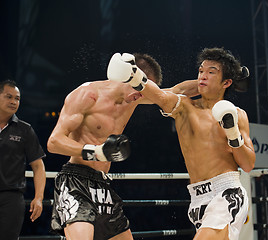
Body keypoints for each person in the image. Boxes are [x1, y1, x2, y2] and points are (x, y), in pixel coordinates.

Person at [107, 47, 256, 240]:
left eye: (211, 72)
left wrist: (233, 134)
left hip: (227, 194)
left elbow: (248, 164)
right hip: (198, 199)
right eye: (201, 71)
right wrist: (134, 76)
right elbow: (160, 96)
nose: (203, 76)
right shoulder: (185, 106)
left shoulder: (238, 114)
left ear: (226, 82)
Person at [47, 53, 198, 240]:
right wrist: (96, 152)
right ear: (128, 75)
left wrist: (216, 81)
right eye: (139, 88)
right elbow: (54, 142)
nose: (141, 96)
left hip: (102, 183)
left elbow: (177, 90)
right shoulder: (87, 95)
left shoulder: (134, 97)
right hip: (75, 181)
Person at [0, 79, 46, 240]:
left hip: (11, 198)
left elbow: (38, 166)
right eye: (9, 97)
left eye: (17, 98)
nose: (13, 102)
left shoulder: (25, 130)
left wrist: (39, 198)